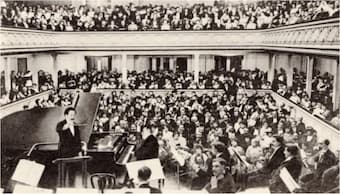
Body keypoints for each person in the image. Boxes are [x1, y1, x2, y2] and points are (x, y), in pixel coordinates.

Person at [56, 107, 82, 187]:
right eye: (71, 115)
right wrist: (66, 126)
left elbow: (78, 140)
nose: (72, 117)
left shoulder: (76, 125)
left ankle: (71, 188)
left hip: (73, 153)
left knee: (72, 172)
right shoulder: (61, 124)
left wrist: (79, 151)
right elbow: (59, 130)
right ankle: (61, 189)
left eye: (74, 115)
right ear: (66, 115)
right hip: (64, 152)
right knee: (62, 173)